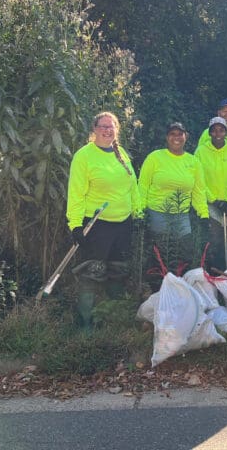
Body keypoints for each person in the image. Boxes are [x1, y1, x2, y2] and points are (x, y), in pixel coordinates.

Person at [66, 111, 141, 330]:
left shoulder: (121, 153)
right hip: (97, 225)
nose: (108, 130)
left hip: (123, 224)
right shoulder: (84, 156)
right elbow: (76, 194)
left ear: (117, 129)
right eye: (103, 126)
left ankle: (114, 320)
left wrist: (138, 214)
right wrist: (75, 225)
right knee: (91, 272)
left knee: (118, 271)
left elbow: (132, 186)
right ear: (94, 129)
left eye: (112, 126)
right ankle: (85, 324)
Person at [138, 122, 209, 273]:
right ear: (167, 137)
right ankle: (158, 282)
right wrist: (139, 212)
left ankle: (180, 281)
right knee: (161, 252)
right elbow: (143, 185)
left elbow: (199, 191)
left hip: (181, 213)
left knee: (185, 251)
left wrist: (203, 214)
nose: (176, 137)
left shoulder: (194, 162)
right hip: (157, 212)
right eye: (172, 134)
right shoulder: (155, 157)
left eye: (180, 134)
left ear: (186, 136)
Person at [194, 117, 227, 270]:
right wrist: (214, 200)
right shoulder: (200, 152)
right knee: (215, 239)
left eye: (221, 130)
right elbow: (199, 180)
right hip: (211, 203)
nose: (218, 133)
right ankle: (213, 270)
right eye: (214, 130)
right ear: (209, 133)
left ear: (226, 132)